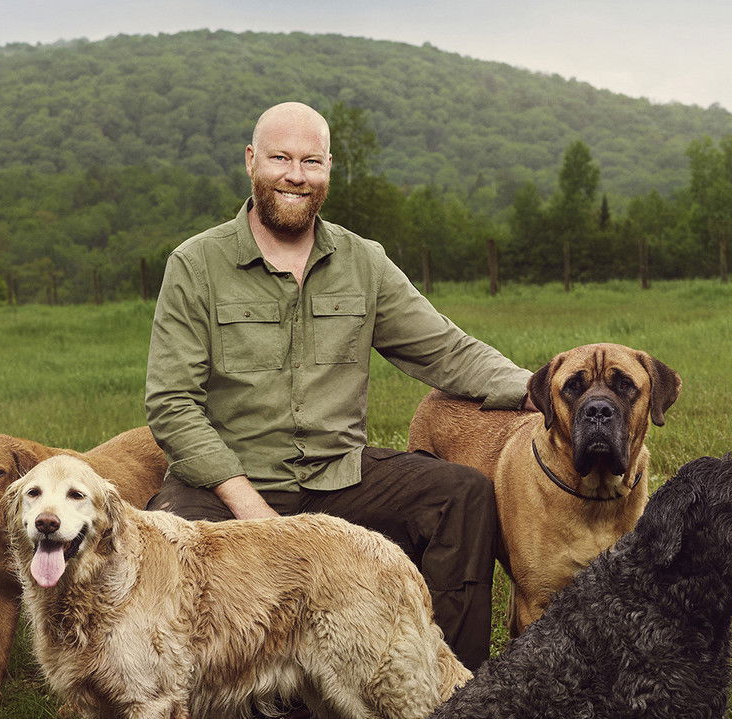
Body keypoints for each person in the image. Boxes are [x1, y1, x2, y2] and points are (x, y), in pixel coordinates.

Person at [144, 101, 532, 671]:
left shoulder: (363, 262)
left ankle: (448, 682)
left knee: (462, 496)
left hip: (338, 474)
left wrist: (545, 388)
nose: (296, 175)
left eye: (311, 161)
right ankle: (235, 693)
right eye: (280, 158)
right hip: (229, 482)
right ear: (252, 161)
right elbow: (171, 403)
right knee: (168, 549)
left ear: (329, 170)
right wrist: (250, 507)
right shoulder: (196, 264)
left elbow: (446, 351)